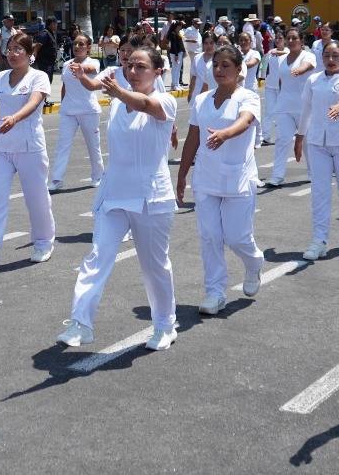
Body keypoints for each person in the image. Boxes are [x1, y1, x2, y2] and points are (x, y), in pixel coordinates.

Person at [57, 42, 179, 351]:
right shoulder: (116, 103)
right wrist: (111, 90)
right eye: (130, 65)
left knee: (154, 266)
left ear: (158, 72)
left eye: (141, 67)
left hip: (150, 197)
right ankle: (80, 322)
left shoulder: (165, 101)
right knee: (97, 257)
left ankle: (165, 324)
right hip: (113, 195)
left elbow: (145, 104)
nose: (133, 71)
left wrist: (119, 92)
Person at [175, 43, 262, 315]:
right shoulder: (202, 100)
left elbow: (245, 121)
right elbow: (193, 137)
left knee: (237, 238)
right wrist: (182, 174)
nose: (219, 70)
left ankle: (254, 262)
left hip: (238, 178)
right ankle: (215, 292)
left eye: (226, 65)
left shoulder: (248, 97)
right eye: (215, 65)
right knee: (210, 237)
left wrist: (225, 134)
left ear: (239, 69)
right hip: (206, 179)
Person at [0, 32, 57, 271]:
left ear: (30, 53)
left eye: (19, 49)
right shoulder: (1, 76)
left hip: (29, 146)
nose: (13, 53)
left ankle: (43, 242)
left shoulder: (39, 77)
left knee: (36, 198)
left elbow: (34, 102)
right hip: (2, 146)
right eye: (10, 48)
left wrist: (15, 118)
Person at [294, 40, 339, 255]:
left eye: (335, 56)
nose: (331, 60)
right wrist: (299, 137)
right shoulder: (313, 80)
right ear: (321, 58)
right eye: (327, 56)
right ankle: (319, 240)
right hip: (318, 142)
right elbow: (306, 109)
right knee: (320, 192)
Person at [51, 32, 104, 192]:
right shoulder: (67, 64)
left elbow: (91, 69)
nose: (77, 46)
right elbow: (65, 86)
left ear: (88, 47)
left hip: (88, 110)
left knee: (93, 146)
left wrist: (80, 68)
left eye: (81, 44)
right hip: (68, 112)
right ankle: (56, 179)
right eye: (75, 43)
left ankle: (98, 176)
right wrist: (63, 104)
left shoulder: (94, 62)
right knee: (62, 146)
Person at [265, 27, 316, 187]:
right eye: (289, 38)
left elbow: (307, 66)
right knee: (282, 140)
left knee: (307, 142)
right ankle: (277, 176)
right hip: (285, 106)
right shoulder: (282, 59)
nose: (291, 41)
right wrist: (281, 97)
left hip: (304, 108)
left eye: (295, 38)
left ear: (301, 40)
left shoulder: (308, 56)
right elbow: (281, 81)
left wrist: (299, 70)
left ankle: (314, 173)